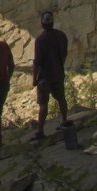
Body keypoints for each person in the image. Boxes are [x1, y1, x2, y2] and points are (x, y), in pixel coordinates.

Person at [33, 11, 70, 140]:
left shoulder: (40, 40)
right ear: (52, 22)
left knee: (43, 104)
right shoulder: (61, 35)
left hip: (45, 76)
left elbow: (37, 62)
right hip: (58, 73)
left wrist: (34, 79)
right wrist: (60, 67)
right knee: (61, 98)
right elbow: (64, 55)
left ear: (42, 23)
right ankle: (64, 121)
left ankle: (40, 131)